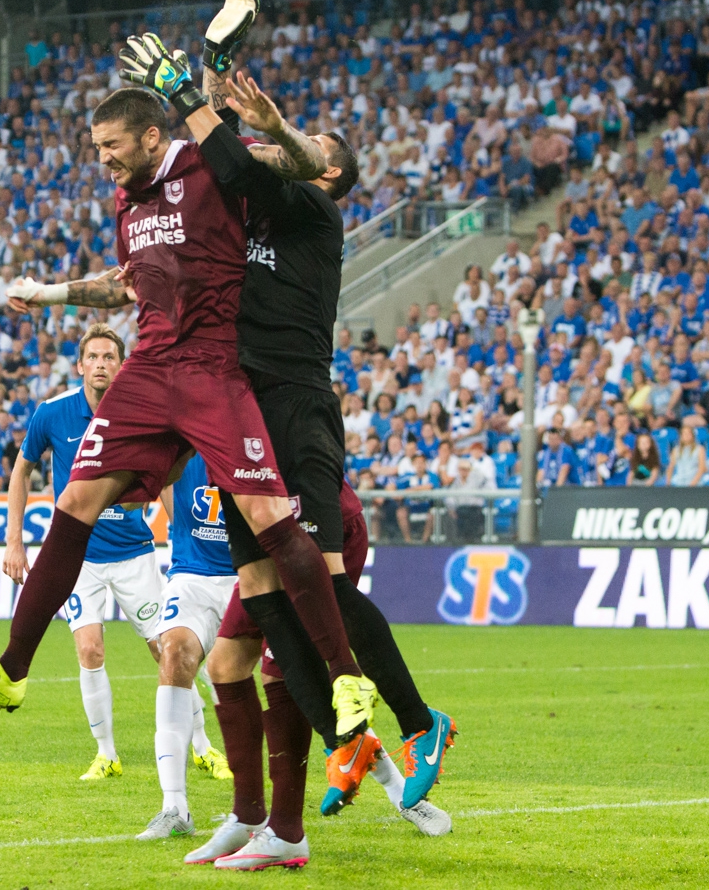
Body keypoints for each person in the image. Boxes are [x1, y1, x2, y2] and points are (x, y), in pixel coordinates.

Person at [0, 27, 373, 761]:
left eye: (110, 144)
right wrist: (47, 294)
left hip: (212, 369)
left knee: (268, 519)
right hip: (148, 368)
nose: (101, 158)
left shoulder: (212, 168)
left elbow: (297, 163)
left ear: (151, 135)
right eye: (94, 145)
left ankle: (346, 676)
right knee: (72, 503)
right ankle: (10, 670)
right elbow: (125, 285)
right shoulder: (128, 204)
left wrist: (232, 91)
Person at [194, 65, 456, 863]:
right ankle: (348, 742)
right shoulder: (254, 219)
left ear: (326, 170)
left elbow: (242, 158)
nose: (280, 147)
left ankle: (420, 722)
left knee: (328, 591)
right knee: (266, 601)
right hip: (244, 414)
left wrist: (237, 116)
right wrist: (213, 80)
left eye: (303, 146)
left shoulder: (311, 210)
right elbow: (219, 162)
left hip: (298, 407)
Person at [186, 481, 451, 872]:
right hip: (266, 527)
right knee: (224, 664)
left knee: (281, 670)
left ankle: (289, 829)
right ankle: (248, 817)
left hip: (309, 517)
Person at [0, 324, 175, 782]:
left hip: (135, 553)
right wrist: (14, 539)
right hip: (80, 558)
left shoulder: (139, 413)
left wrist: (181, 537)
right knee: (90, 649)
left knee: (170, 651)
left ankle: (201, 746)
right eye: (92, 357)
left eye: (108, 357)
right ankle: (106, 754)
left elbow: (168, 474)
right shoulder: (52, 413)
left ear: (121, 365)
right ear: (79, 367)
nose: (100, 364)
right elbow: (21, 471)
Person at [137, 455, 239, 840]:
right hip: (192, 575)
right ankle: (174, 806)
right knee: (175, 652)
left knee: (299, 677)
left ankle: (400, 793)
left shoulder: (254, 430)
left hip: (251, 573)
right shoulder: (179, 436)